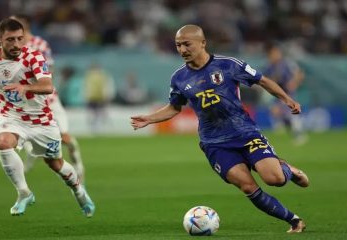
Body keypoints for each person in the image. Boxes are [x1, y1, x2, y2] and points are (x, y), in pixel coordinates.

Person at [130, 25, 309, 233]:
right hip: (214, 143)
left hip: (245, 132)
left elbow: (263, 80)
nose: (182, 49)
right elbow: (174, 107)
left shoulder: (228, 65)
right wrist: (149, 119)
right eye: (178, 45)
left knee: (275, 179)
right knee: (248, 187)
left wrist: (287, 99)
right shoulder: (178, 78)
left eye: (187, 44)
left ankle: (288, 170)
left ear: (203, 43)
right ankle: (294, 221)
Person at [0, 18, 94, 217]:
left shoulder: (33, 57)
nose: (16, 44)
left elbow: (47, 86)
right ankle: (24, 193)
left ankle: (78, 190)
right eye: (10, 40)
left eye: (19, 39)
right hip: (11, 116)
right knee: (3, 142)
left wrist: (26, 87)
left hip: (41, 120)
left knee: (55, 164)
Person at [10, 14, 85, 177]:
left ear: (25, 25)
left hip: (47, 99)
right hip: (27, 101)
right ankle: (29, 160)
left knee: (64, 137)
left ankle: (77, 160)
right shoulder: (10, 47)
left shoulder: (39, 44)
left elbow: (49, 70)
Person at [263, 43, 307, 145]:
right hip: (277, 92)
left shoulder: (287, 63)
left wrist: (294, 82)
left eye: (275, 53)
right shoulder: (270, 65)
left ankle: (298, 134)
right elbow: (266, 78)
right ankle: (293, 132)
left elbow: (299, 74)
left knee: (289, 112)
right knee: (278, 112)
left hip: (288, 92)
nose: (274, 55)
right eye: (272, 54)